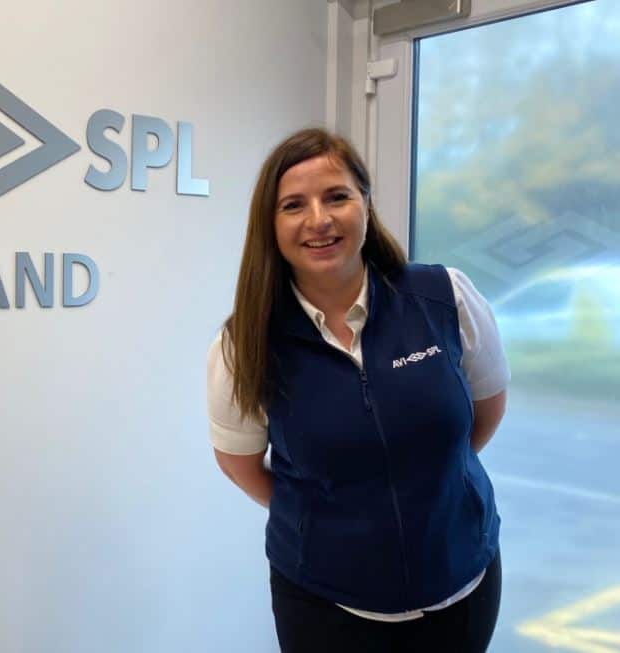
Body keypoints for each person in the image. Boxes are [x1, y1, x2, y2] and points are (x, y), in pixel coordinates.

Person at [206, 128, 510, 652]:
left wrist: (422, 475)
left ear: (366, 204)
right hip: (327, 606)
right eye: (293, 205)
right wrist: (324, 512)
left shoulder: (445, 297)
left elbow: (485, 411)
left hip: (464, 585)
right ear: (270, 226)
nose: (318, 220)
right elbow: (240, 463)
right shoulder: (245, 341)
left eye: (337, 196)